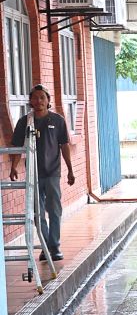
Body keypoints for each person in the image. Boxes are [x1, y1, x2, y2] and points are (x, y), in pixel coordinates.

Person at [9, 85, 75, 261]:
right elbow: (17, 145)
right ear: (30, 101)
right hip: (33, 174)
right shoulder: (25, 122)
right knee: (37, 214)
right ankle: (45, 247)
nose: (38, 101)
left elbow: (64, 146)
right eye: (35, 98)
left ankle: (55, 247)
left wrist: (70, 170)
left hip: (52, 172)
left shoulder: (58, 120)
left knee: (54, 211)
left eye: (42, 98)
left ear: (48, 101)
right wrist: (14, 166)